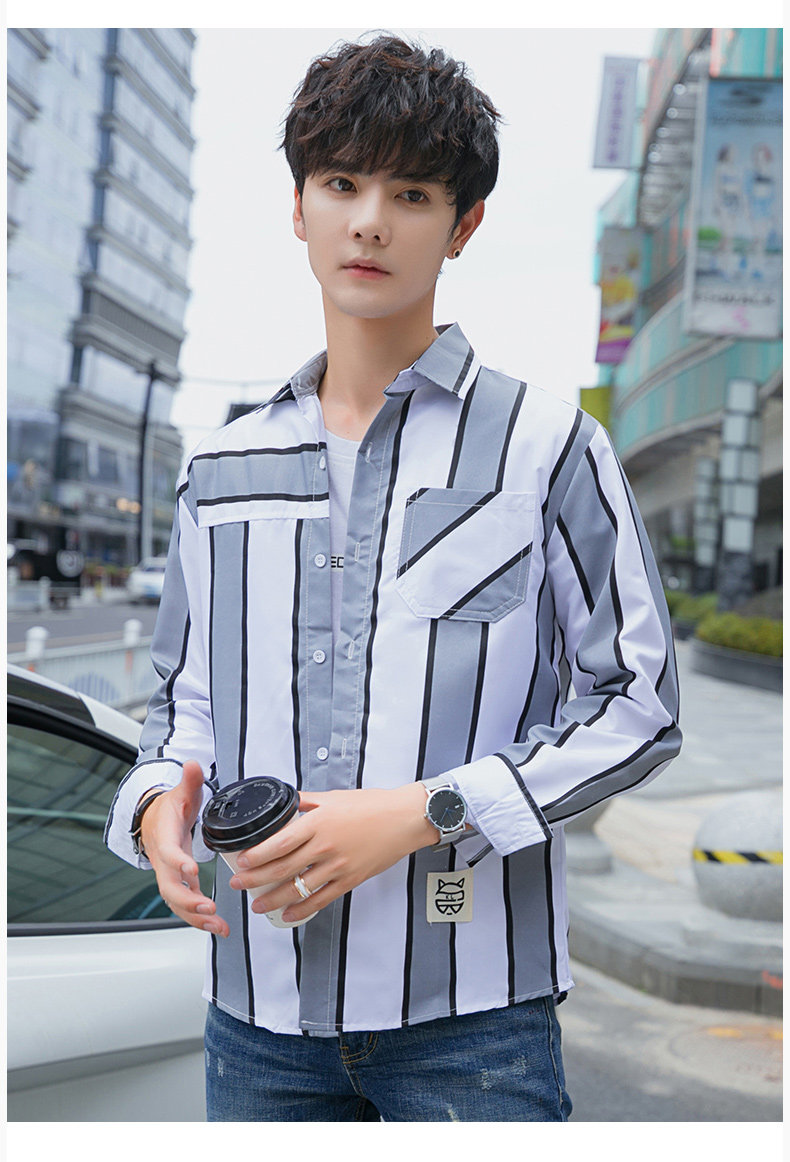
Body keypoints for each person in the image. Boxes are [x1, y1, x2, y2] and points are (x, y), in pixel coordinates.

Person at [105, 32, 681, 1122]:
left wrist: (428, 810)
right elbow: (180, 704)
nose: (369, 219)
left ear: (463, 226)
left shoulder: (548, 446)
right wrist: (152, 808)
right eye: (340, 184)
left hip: (476, 1023)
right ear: (298, 207)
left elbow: (639, 705)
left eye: (411, 193)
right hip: (256, 1015)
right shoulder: (220, 468)